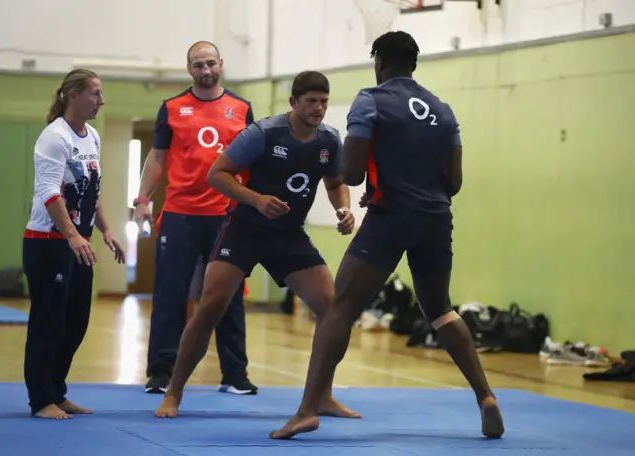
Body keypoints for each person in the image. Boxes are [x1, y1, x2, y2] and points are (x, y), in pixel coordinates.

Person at [270, 31, 505, 440]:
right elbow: (454, 181)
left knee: (342, 305)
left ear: (379, 60)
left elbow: (353, 173)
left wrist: (377, 181)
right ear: (414, 63)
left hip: (390, 216)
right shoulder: (442, 110)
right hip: (435, 218)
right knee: (440, 310)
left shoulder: (371, 100)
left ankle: (308, 409)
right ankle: (486, 396)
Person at [154, 70, 360, 420]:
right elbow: (216, 174)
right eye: (311, 101)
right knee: (210, 307)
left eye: (324, 101)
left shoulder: (328, 139)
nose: (319, 108)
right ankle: (173, 393)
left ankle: (322, 396)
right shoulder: (263, 133)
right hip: (245, 229)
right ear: (294, 102)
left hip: (288, 235)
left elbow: (336, 181)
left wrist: (343, 208)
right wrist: (256, 200)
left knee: (333, 310)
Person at [133, 41, 257, 395]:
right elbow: (157, 159)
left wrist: (255, 203)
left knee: (228, 296)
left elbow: (251, 163)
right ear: (189, 69)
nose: (206, 70)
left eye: (211, 63)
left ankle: (235, 375)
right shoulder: (172, 108)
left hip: (226, 217)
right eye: (198, 65)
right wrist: (142, 200)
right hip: (180, 216)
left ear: (221, 64)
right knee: (170, 295)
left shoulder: (242, 108)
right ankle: (161, 374)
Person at [23, 69, 126, 419]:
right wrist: (72, 235)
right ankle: (41, 399)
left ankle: (57, 390)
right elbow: (50, 192)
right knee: (48, 322)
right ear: (73, 96)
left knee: (75, 323)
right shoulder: (54, 137)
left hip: (77, 243)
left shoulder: (91, 136)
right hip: (50, 243)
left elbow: (90, 190)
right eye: (95, 93)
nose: (101, 100)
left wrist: (107, 230)